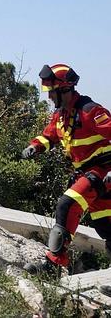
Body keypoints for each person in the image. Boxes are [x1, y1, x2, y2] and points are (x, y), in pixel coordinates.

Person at [21, 64, 110, 285]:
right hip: (88, 174)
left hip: (102, 172)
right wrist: (36, 146)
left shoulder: (91, 111)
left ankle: (52, 267)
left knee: (66, 205)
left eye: (52, 91)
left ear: (64, 90)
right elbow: (48, 137)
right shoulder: (60, 116)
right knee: (108, 229)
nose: (49, 96)